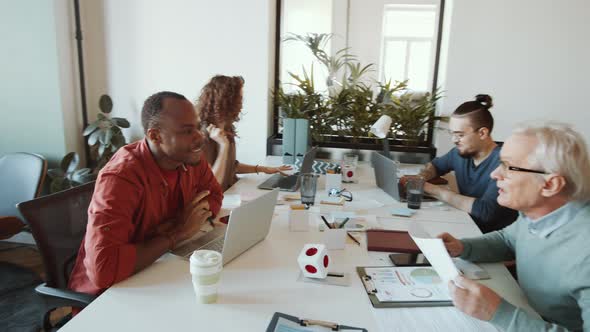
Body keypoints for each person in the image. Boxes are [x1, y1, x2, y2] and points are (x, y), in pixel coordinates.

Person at [68, 91, 224, 296]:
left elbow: (214, 195)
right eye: (187, 131)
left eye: (197, 127)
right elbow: (103, 271)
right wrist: (178, 232)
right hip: (111, 295)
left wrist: (185, 222)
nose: (199, 137)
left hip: (161, 269)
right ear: (155, 136)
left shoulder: (189, 157)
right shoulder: (121, 178)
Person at [440, 122, 590, 331]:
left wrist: (498, 313)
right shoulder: (538, 213)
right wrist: (463, 247)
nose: (494, 175)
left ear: (550, 184)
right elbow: (508, 239)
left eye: (509, 167)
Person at [409, 94, 517, 233]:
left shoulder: (505, 163)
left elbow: (486, 211)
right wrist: (420, 178)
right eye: (452, 134)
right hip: (465, 223)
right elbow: (436, 166)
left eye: (460, 135)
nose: (454, 140)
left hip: (492, 237)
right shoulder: (460, 153)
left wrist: (432, 189)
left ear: (482, 133)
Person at [195, 75, 291, 191]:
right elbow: (213, 184)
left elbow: (231, 166)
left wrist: (263, 169)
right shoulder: (203, 135)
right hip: (218, 200)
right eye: (239, 99)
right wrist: (223, 146)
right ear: (226, 101)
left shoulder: (227, 128)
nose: (241, 104)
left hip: (231, 192)